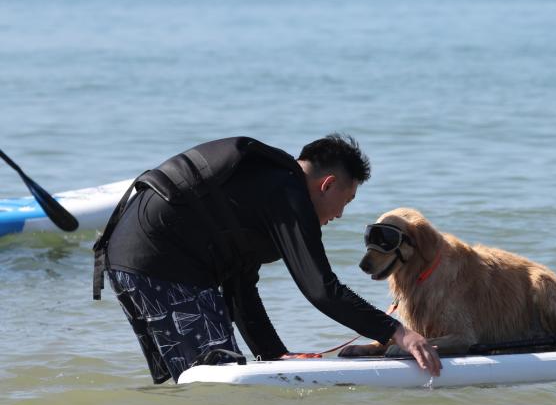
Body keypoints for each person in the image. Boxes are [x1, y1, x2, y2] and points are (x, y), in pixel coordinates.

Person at [92, 134, 441, 383]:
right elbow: (321, 289)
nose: (339, 214)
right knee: (215, 381)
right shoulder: (286, 194)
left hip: (134, 259)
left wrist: (273, 354)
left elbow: (239, 285)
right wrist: (399, 333)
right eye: (345, 201)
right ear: (327, 184)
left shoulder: (262, 187)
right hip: (158, 263)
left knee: (202, 378)